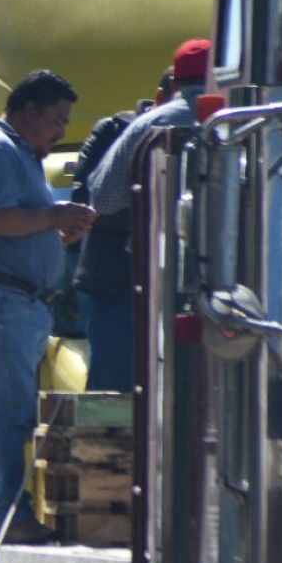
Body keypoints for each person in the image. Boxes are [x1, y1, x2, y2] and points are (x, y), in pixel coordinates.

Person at [0, 69, 96, 545]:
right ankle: (7, 517)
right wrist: (55, 216)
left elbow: (18, 226)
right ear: (29, 110)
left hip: (14, 299)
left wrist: (57, 235)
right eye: (57, 120)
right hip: (4, 299)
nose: (61, 131)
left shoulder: (19, 151)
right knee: (11, 415)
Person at [79, 38, 211, 391]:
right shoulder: (242, 119)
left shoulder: (147, 125)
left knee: (118, 394)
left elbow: (103, 198)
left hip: (147, 281)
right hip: (223, 287)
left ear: (175, 82)